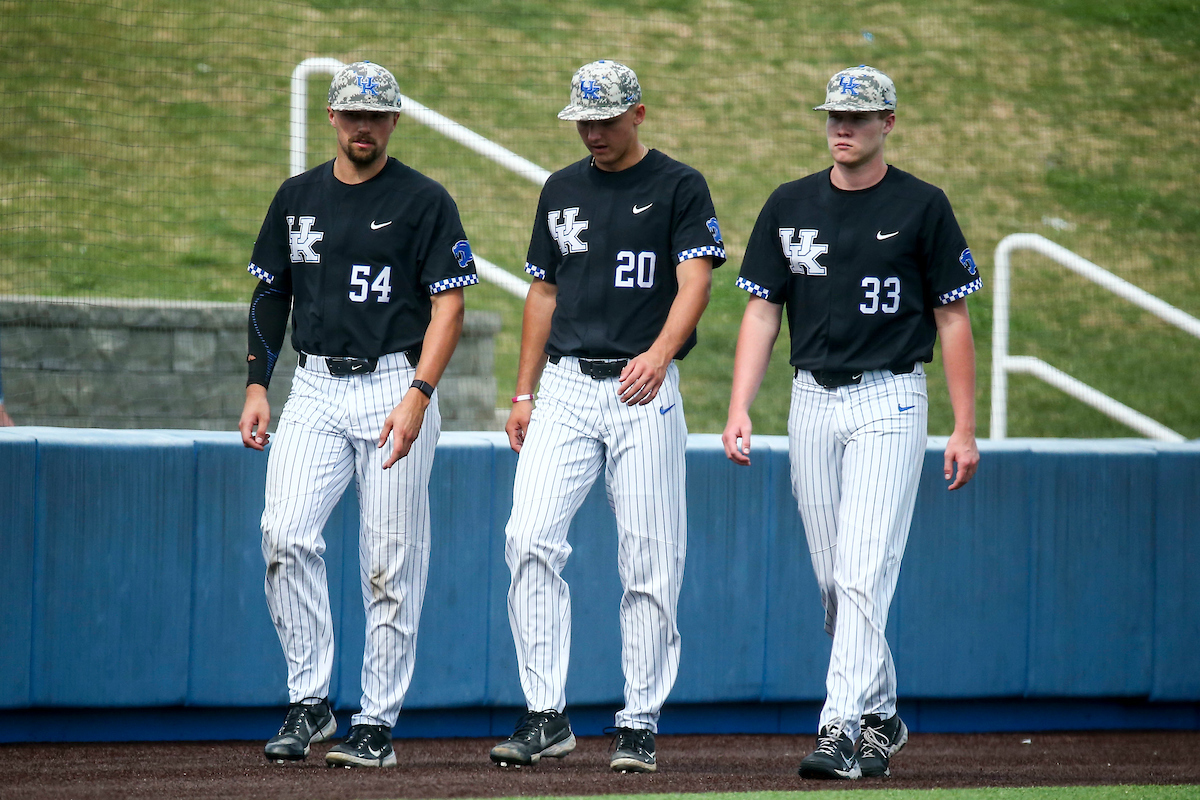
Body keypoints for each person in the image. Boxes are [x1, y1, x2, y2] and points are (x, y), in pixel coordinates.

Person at [721, 65, 981, 780]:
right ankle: (883, 716)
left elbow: (953, 317)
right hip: (811, 397)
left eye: (859, 116)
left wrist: (963, 426)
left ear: (888, 123)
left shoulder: (923, 205)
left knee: (865, 569)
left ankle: (837, 729)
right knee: (836, 583)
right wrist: (741, 403)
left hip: (891, 398)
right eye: (835, 114)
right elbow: (763, 308)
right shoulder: (790, 202)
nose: (844, 126)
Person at [238, 61, 478, 768]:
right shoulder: (297, 197)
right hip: (312, 385)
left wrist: (420, 393)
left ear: (394, 120)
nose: (364, 124)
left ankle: (374, 721)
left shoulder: (423, 200)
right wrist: (258, 386)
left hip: (393, 383)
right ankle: (310, 702)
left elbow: (449, 305)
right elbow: (269, 292)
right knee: (284, 533)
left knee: (389, 561)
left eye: (377, 114)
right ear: (334, 118)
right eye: (353, 113)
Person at [488, 60, 724, 774]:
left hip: (641, 385)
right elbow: (542, 293)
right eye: (582, 121)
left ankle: (640, 719)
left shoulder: (679, 185)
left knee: (649, 559)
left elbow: (697, 280)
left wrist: (659, 353)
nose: (592, 132)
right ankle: (545, 714)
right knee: (528, 537)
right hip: (564, 384)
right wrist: (522, 391)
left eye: (605, 119)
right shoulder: (561, 188)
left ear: (639, 114)